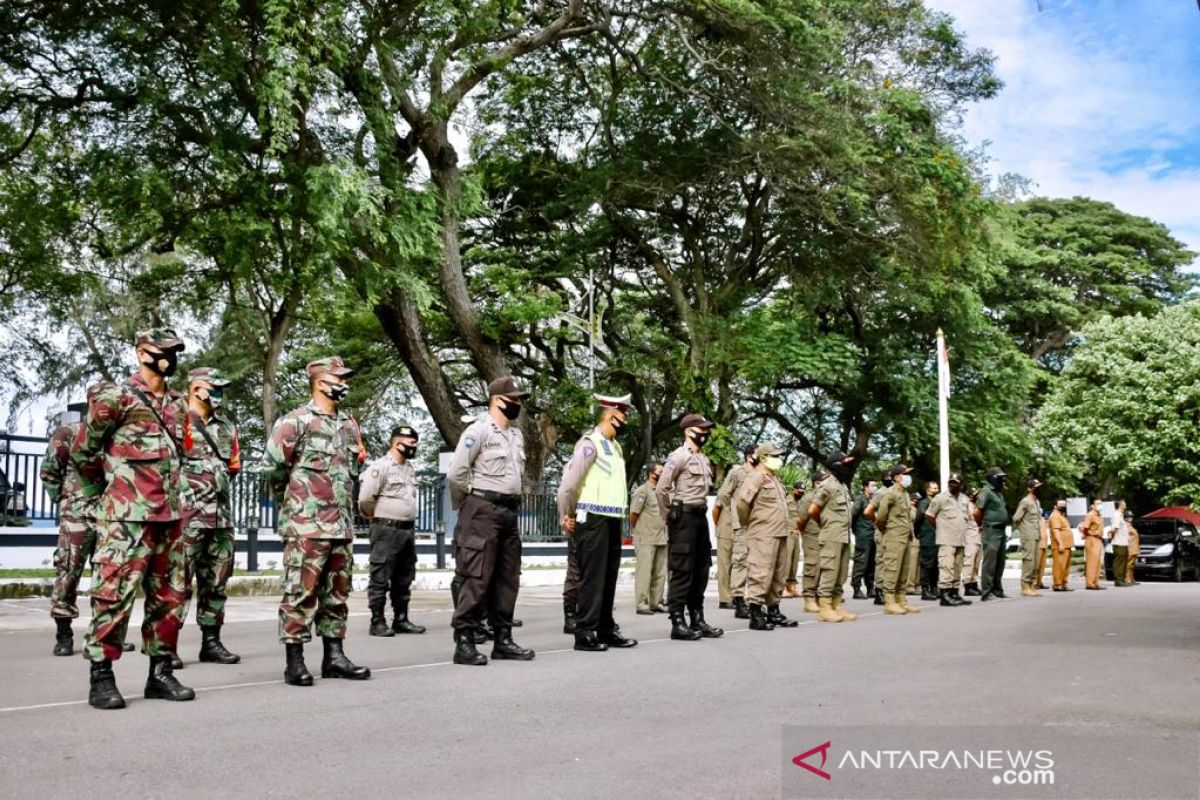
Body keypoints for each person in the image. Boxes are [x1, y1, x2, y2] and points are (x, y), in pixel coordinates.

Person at [70, 328, 194, 709]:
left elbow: (182, 455)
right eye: (163, 351)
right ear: (142, 353)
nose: (170, 358)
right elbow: (83, 453)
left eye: (174, 351)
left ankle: (160, 673)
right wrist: (108, 496)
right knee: (114, 595)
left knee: (170, 597)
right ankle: (102, 677)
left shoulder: (178, 403)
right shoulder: (115, 396)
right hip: (126, 518)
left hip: (170, 516)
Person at [266, 356, 371, 686]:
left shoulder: (348, 425)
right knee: (300, 592)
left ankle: (334, 656)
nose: (343, 383)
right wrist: (297, 505)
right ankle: (294, 661)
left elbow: (351, 472)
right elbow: (272, 469)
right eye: (338, 377)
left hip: (340, 525)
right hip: (307, 526)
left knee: (337, 594)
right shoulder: (294, 422)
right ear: (320, 382)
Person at [446, 376, 536, 665]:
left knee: (507, 577)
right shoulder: (479, 430)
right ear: (498, 400)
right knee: (477, 576)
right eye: (515, 399)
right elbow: (456, 473)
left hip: (509, 512)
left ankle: (503, 639)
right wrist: (467, 506)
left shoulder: (515, 435)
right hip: (482, 508)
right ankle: (465, 641)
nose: (518, 404)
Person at [42, 401, 130, 657]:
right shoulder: (68, 434)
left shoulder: (118, 436)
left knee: (111, 576)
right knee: (69, 571)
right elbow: (49, 471)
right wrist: (67, 500)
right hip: (77, 515)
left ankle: (107, 633)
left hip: (112, 514)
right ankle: (64, 634)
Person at [557, 393, 639, 652]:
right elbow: (569, 485)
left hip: (612, 518)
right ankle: (585, 631)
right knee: (592, 578)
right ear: (611, 415)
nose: (625, 420)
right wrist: (566, 515)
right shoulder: (589, 443)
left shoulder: (614, 447)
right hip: (591, 518)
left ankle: (605, 627)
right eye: (623, 415)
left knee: (608, 576)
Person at [178, 367, 242, 665]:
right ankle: (166, 647)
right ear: (196, 388)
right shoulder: (175, 419)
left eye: (221, 388)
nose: (218, 394)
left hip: (221, 518)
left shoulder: (227, 427)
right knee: (177, 583)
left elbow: (232, 467)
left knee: (216, 583)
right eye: (213, 388)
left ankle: (211, 642)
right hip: (185, 518)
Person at [655, 413, 722, 641]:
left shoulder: (703, 458)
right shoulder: (678, 456)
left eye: (706, 429)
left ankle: (697, 618)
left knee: (701, 569)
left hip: (700, 518)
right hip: (683, 518)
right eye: (701, 429)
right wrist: (669, 516)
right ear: (688, 431)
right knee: (682, 571)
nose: (705, 433)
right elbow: (661, 489)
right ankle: (678, 621)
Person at [359, 424, 427, 637]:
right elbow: (365, 499)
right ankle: (377, 621)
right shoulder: (380, 467)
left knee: (404, 576)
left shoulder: (409, 468)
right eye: (411, 443)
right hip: (386, 529)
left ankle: (401, 619)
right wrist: (375, 517)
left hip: (407, 531)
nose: (414, 447)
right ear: (397, 443)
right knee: (381, 575)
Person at [736, 443, 799, 631]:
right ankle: (755, 613)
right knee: (760, 572)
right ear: (763, 458)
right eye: (775, 456)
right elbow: (742, 504)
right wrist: (750, 523)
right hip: (762, 533)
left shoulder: (774, 479)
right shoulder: (755, 478)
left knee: (778, 574)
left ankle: (774, 610)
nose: (779, 459)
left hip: (779, 532)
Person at [810, 451, 858, 623]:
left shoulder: (843, 486)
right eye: (845, 463)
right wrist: (826, 524)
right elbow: (813, 511)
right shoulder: (827, 485)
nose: (849, 466)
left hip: (844, 535)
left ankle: (837, 605)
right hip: (831, 535)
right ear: (836, 465)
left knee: (841, 573)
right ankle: (825, 607)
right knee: (830, 572)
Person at [870, 463, 919, 615]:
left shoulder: (904, 493)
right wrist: (885, 530)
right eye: (906, 474)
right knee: (892, 568)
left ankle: (901, 599)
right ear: (897, 477)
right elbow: (881, 516)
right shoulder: (890, 493)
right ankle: (889, 601)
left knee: (904, 569)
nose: (908, 477)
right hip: (893, 535)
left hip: (905, 535)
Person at [714, 448, 755, 618]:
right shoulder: (736, 474)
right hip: (726, 523)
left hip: (744, 525)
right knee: (725, 562)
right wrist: (721, 524)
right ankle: (725, 598)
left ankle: (735, 595)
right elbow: (718, 504)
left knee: (740, 561)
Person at [924, 473, 973, 607]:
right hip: (946, 539)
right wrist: (940, 527)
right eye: (950, 482)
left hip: (961, 539)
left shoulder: (964, 499)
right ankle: (945, 595)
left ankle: (955, 593)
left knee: (958, 567)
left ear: (961, 484)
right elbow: (929, 516)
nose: (952, 484)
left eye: (955, 482)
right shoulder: (940, 498)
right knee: (946, 566)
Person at [630, 464, 668, 615]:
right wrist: (640, 531)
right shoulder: (642, 491)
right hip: (645, 537)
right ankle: (641, 603)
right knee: (644, 572)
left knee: (660, 573)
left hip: (662, 537)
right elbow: (633, 515)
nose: (663, 474)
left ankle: (656, 602)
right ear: (652, 474)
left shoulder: (664, 491)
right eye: (660, 471)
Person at [976, 467, 1010, 601]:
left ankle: (997, 589)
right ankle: (986, 591)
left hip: (1001, 530)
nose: (1002, 480)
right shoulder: (986, 492)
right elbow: (977, 512)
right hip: (991, 530)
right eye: (1000, 478)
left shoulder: (999, 493)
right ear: (992, 478)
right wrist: (982, 525)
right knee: (989, 562)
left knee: (1000, 562)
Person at [797, 471, 826, 614]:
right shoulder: (808, 498)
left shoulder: (827, 497)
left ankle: (819, 596)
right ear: (817, 483)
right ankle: (808, 598)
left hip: (825, 537)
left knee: (824, 566)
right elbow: (800, 520)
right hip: (812, 536)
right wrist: (805, 534)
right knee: (812, 566)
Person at [1011, 479, 1044, 597]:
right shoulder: (1025, 502)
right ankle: (1025, 586)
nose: (1038, 489)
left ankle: (1031, 585)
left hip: (1035, 534)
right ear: (1029, 489)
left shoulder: (1037, 502)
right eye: (1035, 487)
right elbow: (1016, 518)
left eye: (1039, 486)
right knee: (1028, 559)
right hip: (1028, 534)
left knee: (1035, 561)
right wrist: (1024, 530)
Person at [850, 480, 878, 600]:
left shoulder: (874, 500)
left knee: (872, 562)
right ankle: (856, 588)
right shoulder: (860, 499)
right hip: (863, 534)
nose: (875, 487)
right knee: (861, 561)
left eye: (875, 485)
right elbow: (853, 515)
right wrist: (857, 531)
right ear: (865, 487)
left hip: (873, 534)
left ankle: (870, 587)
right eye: (872, 485)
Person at [868, 473, 892, 605]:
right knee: (882, 561)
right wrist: (877, 523)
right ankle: (879, 591)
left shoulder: (897, 492)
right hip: (882, 531)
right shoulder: (880, 493)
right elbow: (869, 511)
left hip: (893, 531)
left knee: (891, 562)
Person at [915, 481, 939, 601]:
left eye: (937, 488)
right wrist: (918, 533)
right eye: (934, 488)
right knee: (927, 565)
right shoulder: (924, 503)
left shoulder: (937, 503)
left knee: (936, 564)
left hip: (937, 537)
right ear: (927, 490)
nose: (936, 490)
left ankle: (934, 588)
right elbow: (918, 520)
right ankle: (925, 590)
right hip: (927, 537)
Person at [783, 481, 804, 598]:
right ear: (793, 490)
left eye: (803, 492)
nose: (801, 493)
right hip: (788, 533)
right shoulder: (787, 500)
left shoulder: (800, 502)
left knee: (795, 561)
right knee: (787, 561)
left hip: (797, 534)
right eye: (799, 491)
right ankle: (782, 587)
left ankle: (791, 586)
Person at [960, 487, 983, 596]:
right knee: (969, 562)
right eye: (974, 494)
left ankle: (974, 584)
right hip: (970, 536)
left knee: (976, 563)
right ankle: (967, 586)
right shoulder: (965, 506)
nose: (976, 495)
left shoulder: (976, 506)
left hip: (978, 536)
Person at [1079, 498, 1106, 590]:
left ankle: (1095, 582)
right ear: (1092, 506)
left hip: (1098, 539)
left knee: (1097, 563)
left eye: (1101, 503)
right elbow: (1085, 527)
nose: (1100, 505)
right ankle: (1090, 583)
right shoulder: (1090, 515)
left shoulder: (1100, 516)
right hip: (1092, 539)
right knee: (1091, 562)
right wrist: (1086, 535)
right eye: (1098, 504)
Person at [1048, 500, 1074, 591]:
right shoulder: (1055, 515)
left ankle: (1063, 583)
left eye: (1064, 504)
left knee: (1065, 566)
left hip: (1066, 545)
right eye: (1061, 504)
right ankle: (1058, 584)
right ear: (1055, 506)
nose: (1063, 506)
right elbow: (1056, 530)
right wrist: (1061, 543)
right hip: (1060, 545)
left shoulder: (1061, 516)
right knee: (1059, 565)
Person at [1109, 504, 1132, 588]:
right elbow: (1114, 528)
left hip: (1123, 542)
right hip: (1119, 542)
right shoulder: (1116, 515)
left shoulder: (1120, 515)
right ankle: (1118, 580)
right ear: (1120, 505)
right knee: (1119, 562)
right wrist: (1112, 537)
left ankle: (1122, 579)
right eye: (1124, 503)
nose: (1125, 505)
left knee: (1123, 562)